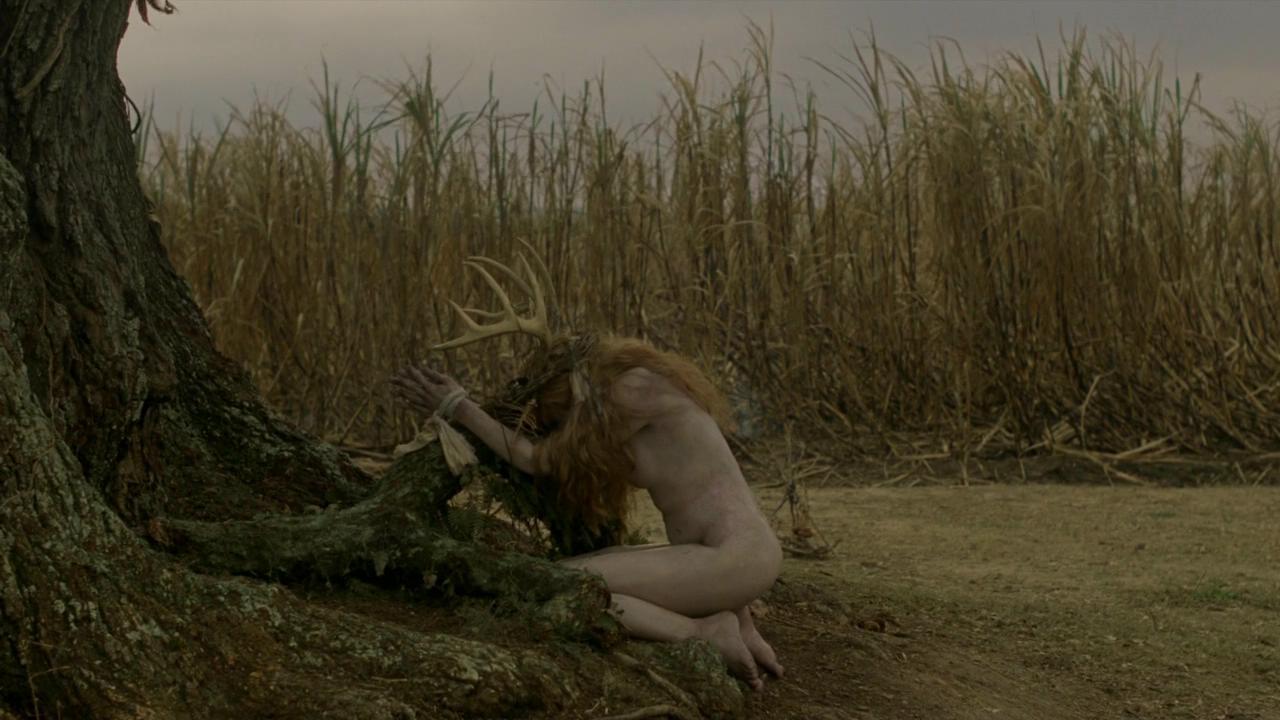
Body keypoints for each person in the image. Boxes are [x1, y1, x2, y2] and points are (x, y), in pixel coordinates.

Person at [390, 258, 784, 690]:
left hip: (735, 559)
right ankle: (735, 622)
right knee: (572, 569)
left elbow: (537, 459)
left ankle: (702, 631)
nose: (566, 425)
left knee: (566, 585)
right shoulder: (636, 388)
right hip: (724, 558)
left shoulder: (631, 390)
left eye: (561, 416)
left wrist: (459, 406)